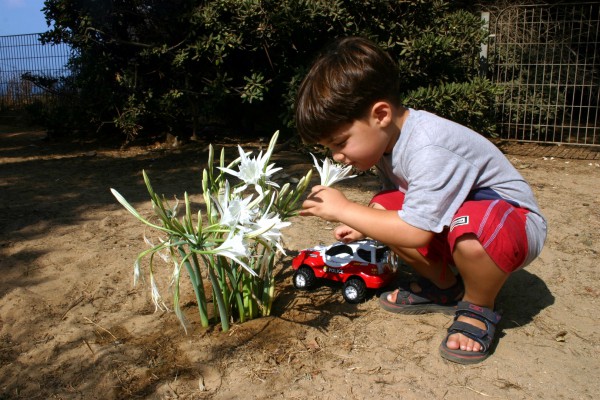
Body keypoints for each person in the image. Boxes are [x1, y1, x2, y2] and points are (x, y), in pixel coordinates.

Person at [295, 36, 547, 364]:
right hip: (461, 220)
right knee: (382, 205)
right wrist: (361, 224)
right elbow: (402, 207)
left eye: (341, 142)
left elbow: (415, 231)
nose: (337, 156)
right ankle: (446, 288)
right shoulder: (388, 145)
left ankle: (478, 308)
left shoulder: (428, 147)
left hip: (511, 225)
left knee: (470, 229)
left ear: (380, 114)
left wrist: (346, 209)